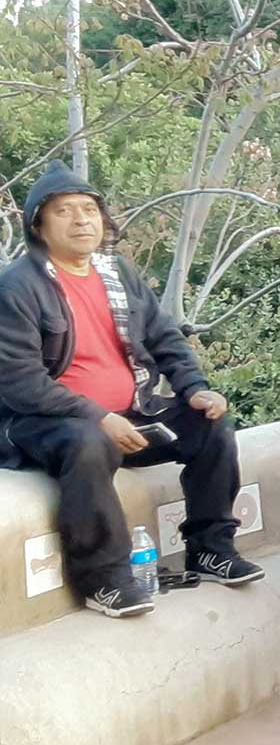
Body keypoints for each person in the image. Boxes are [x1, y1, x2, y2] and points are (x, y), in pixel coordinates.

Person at [0, 162, 262, 619]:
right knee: (87, 441)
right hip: (44, 425)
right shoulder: (18, 285)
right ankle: (104, 580)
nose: (81, 220)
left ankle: (210, 548)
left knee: (211, 427)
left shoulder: (115, 273)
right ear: (38, 225)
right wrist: (97, 415)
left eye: (89, 210)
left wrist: (195, 389)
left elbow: (165, 338)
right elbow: (18, 380)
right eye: (64, 211)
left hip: (131, 411)